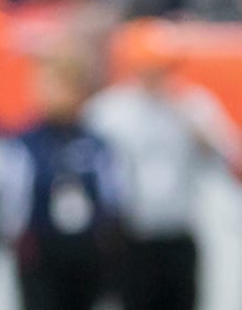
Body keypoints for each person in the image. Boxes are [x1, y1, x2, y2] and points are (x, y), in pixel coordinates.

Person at [85, 53, 242, 310]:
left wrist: (201, 135)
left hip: (179, 230)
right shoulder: (110, 109)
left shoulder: (192, 104)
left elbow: (230, 158)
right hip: (130, 233)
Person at [0, 50, 123, 310]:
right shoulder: (24, 145)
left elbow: (113, 201)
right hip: (41, 255)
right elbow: (10, 207)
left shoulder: (96, 144)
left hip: (86, 257)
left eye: (58, 84)